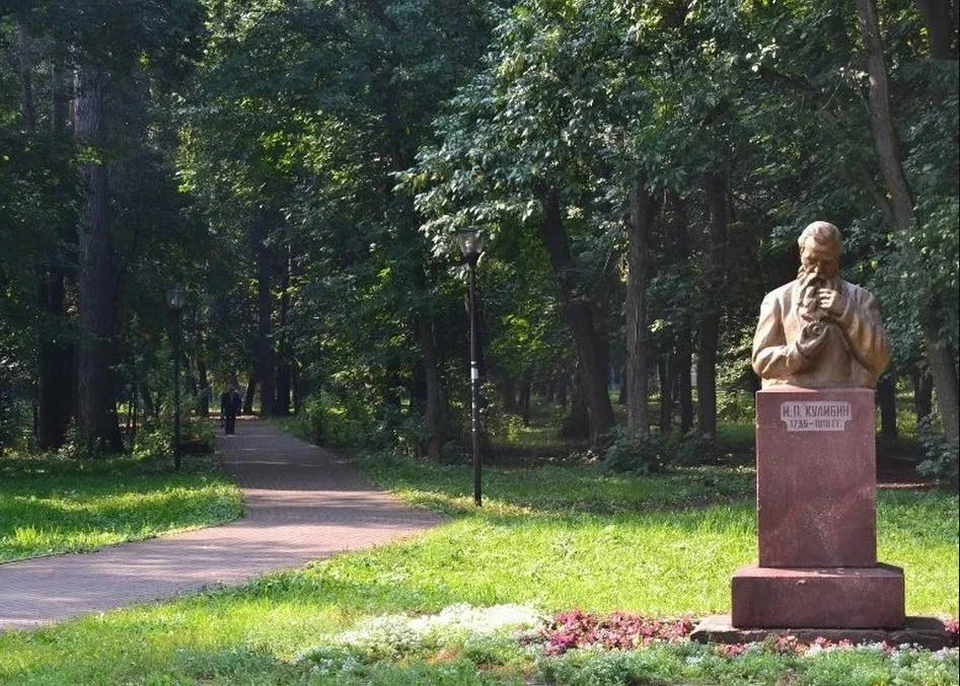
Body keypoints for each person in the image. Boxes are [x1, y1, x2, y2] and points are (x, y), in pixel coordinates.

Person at [751, 221, 891, 388]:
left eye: (827, 262)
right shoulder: (777, 300)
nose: (818, 270)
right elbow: (760, 361)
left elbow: (880, 360)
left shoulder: (861, 299)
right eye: (812, 260)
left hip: (846, 397)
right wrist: (797, 352)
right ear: (801, 252)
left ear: (837, 258)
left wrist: (847, 311)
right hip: (791, 398)